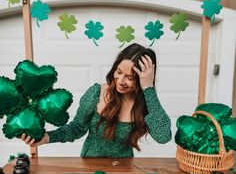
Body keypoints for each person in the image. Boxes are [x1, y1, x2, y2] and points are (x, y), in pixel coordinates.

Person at [21, 43, 172, 157]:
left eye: (130, 78)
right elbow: (76, 128)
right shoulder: (96, 93)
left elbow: (163, 137)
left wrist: (148, 89)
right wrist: (48, 137)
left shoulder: (147, 102)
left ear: (142, 79)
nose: (120, 80)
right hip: (89, 167)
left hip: (124, 171)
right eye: (118, 72)